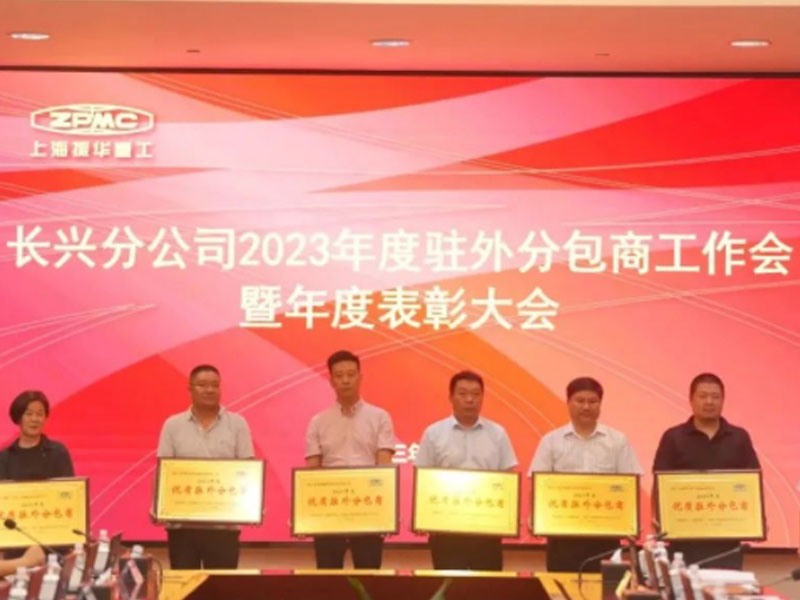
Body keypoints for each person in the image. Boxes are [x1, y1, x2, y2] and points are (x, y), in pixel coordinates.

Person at [529, 376, 642, 572]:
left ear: (600, 404)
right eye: (580, 401)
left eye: (592, 401)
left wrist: (632, 521)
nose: (586, 407)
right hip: (562, 537)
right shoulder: (551, 441)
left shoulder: (617, 441)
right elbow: (538, 485)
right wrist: (536, 517)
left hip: (605, 536)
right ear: (568, 402)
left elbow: (630, 485)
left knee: (604, 586)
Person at [652, 372, 760, 569]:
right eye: (702, 396)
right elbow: (660, 483)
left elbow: (752, 483)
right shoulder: (673, 437)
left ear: (723, 400)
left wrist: (758, 519)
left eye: (715, 397)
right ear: (691, 400)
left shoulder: (739, 437)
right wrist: (659, 517)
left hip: (727, 539)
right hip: (684, 537)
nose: (709, 402)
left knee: (727, 586)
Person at [415, 370, 517, 570]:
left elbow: (507, 479)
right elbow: (423, 480)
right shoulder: (434, 433)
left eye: (476, 394)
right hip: (446, 530)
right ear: (451, 397)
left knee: (487, 586)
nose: (470, 399)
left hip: (487, 530)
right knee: (450, 585)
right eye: (462, 394)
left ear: (482, 398)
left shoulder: (498, 433)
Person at [156, 364, 254, 570]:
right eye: (202, 385)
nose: (209, 390)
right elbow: (164, 472)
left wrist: (253, 507)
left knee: (221, 586)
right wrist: (158, 505)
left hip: (224, 528)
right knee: (185, 585)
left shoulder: (238, 424)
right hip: (182, 527)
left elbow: (248, 472)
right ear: (190, 388)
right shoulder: (173, 425)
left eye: (215, 385)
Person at [305, 350, 396, 569]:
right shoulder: (318, 422)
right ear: (331, 381)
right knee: (328, 579)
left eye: (351, 374)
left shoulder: (380, 417)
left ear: (360, 377)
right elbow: (312, 473)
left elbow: (384, 468)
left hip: (368, 511)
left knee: (368, 576)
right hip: (329, 514)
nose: (345, 380)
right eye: (339, 375)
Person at [0, 390, 74, 481]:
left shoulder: (58, 452)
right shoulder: (5, 458)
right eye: (29, 414)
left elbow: (70, 487)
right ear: (19, 418)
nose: (34, 419)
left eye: (39, 414)